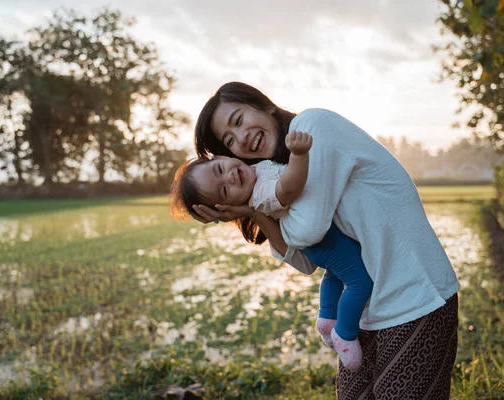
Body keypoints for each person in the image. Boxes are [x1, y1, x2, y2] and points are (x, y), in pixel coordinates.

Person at [190, 81, 460, 400]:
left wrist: (253, 208)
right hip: (366, 309)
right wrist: (255, 211)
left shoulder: (312, 127)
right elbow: (307, 262)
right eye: (230, 141)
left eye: (238, 120)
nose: (242, 138)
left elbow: (308, 232)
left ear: (264, 105)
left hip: (414, 295)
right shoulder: (278, 172)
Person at [169, 131, 373, 370]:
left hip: (323, 243)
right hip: (324, 241)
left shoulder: (258, 170)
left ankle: (327, 317)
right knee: (360, 281)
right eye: (224, 191)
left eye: (219, 169)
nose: (230, 178)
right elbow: (288, 188)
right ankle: (345, 334)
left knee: (334, 275)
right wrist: (299, 154)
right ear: (230, 206)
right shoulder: (260, 196)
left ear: (219, 157)